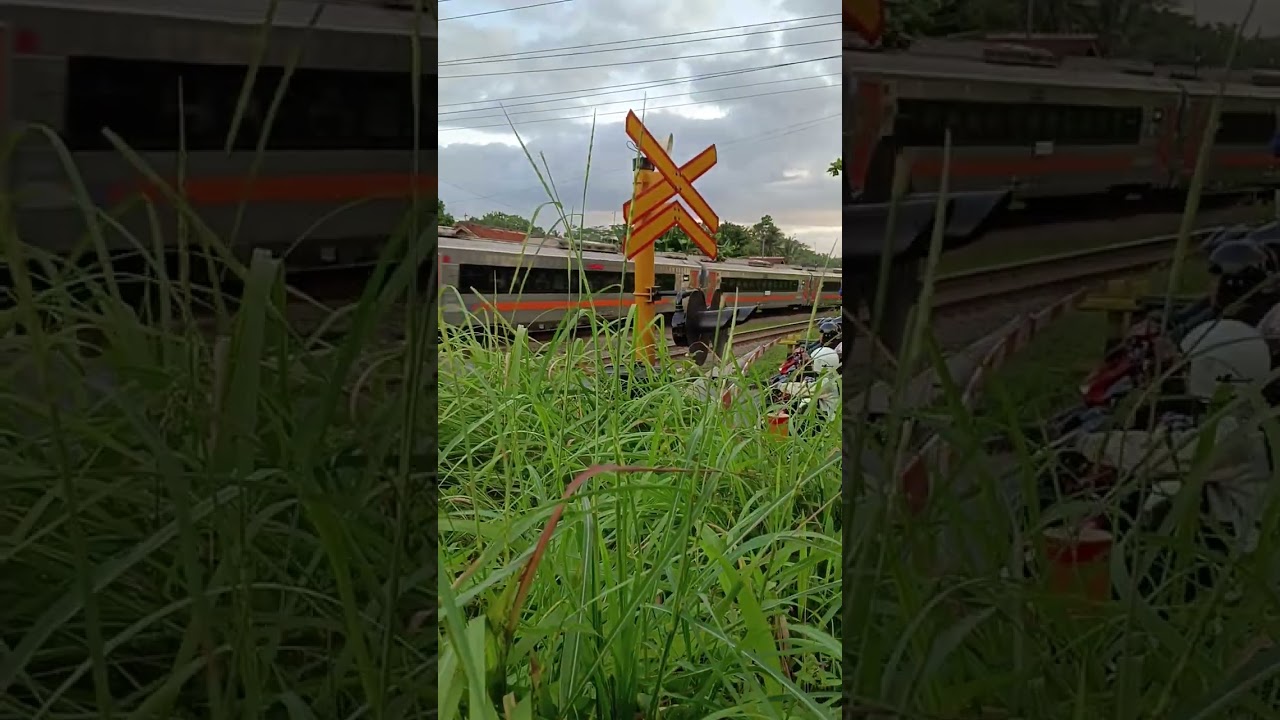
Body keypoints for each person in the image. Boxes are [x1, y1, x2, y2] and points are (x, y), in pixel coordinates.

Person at [1071, 319, 1273, 601]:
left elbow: (1160, 455)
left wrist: (1087, 442)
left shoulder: (1234, 437)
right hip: (1233, 535)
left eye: (1192, 365)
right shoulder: (1252, 418)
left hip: (1236, 558)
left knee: (1144, 553)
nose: (1186, 372)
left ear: (1215, 372)